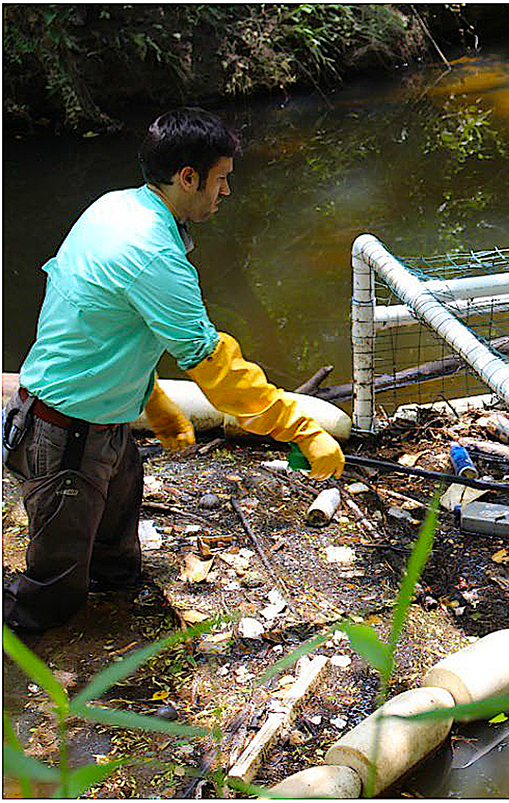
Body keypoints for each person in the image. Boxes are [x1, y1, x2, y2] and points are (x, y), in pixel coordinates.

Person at [2, 107, 344, 634]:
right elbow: (218, 371)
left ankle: (112, 615)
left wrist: (154, 402)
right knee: (51, 597)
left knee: (117, 563)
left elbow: (105, 328)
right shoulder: (150, 253)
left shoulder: (117, 207)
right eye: (222, 179)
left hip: (102, 423)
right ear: (189, 177)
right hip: (64, 432)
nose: (226, 192)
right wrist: (298, 427)